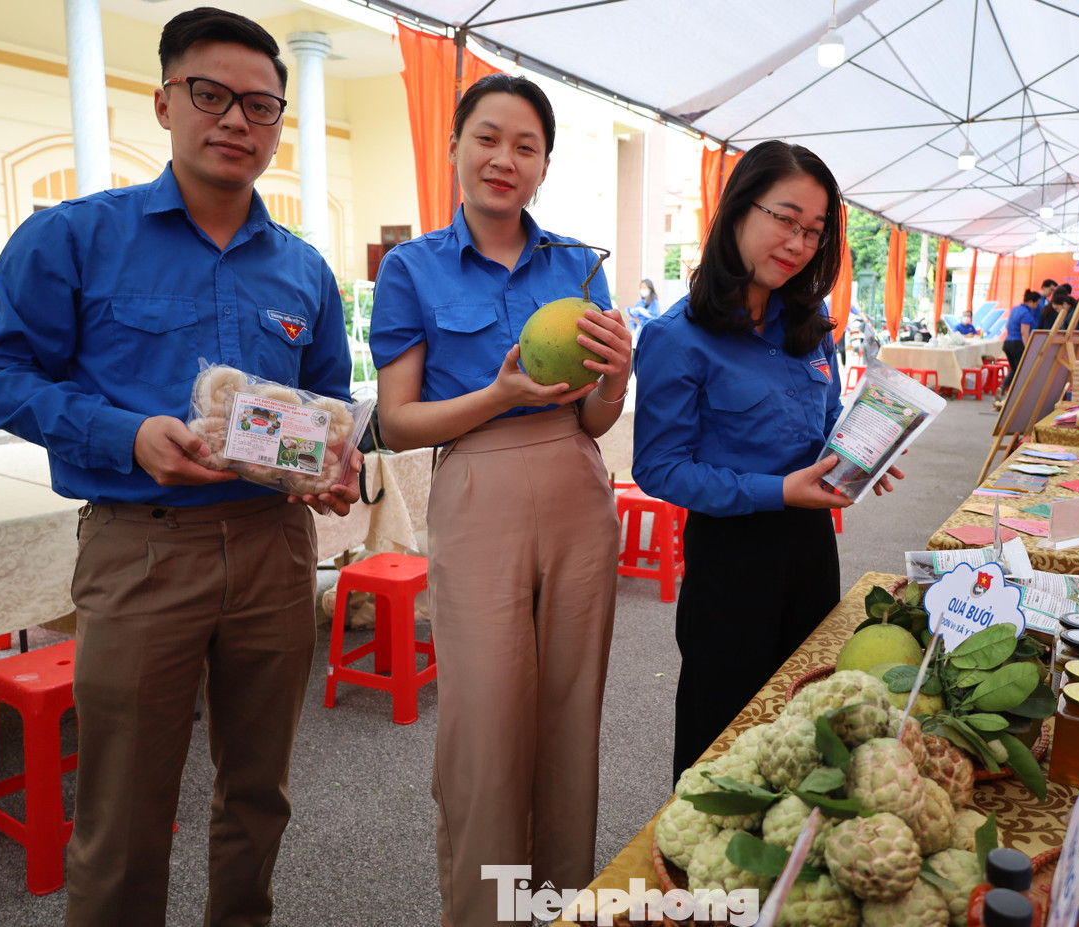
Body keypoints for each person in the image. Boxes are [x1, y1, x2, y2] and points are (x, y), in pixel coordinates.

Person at [0, 9, 358, 924]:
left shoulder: (303, 269)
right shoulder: (74, 236)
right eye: (210, 96)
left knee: (259, 798)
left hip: (274, 551)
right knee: (124, 814)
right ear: (164, 102)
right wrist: (122, 434)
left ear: (278, 123)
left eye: (261, 106)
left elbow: (329, 406)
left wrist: (334, 466)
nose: (236, 122)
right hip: (141, 551)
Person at [369, 73, 632, 927]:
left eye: (525, 146)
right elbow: (400, 422)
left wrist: (616, 377)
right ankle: (483, 914)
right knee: (485, 724)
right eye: (487, 138)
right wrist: (499, 393)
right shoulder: (411, 268)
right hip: (476, 479)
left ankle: (558, 906)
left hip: (577, 483)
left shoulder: (576, 265)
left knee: (569, 711)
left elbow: (593, 415)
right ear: (453, 147)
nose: (503, 159)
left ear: (545, 164)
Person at [631, 140, 905, 783]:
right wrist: (778, 490)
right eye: (785, 219)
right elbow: (660, 467)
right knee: (722, 736)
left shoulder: (810, 325)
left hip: (811, 544)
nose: (799, 243)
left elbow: (823, 423)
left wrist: (861, 449)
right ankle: (698, 876)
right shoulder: (678, 337)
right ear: (736, 213)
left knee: (806, 717)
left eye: (814, 231)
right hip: (731, 557)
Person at [998, 288, 1041, 396]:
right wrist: (1027, 348)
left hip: (1007, 343)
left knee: (1015, 369)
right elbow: (1024, 332)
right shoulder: (1026, 313)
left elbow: (1007, 325)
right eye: (1036, 304)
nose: (1036, 307)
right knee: (1022, 370)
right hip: (1018, 344)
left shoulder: (1015, 309)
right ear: (1031, 302)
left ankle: (1003, 386)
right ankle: (1018, 394)